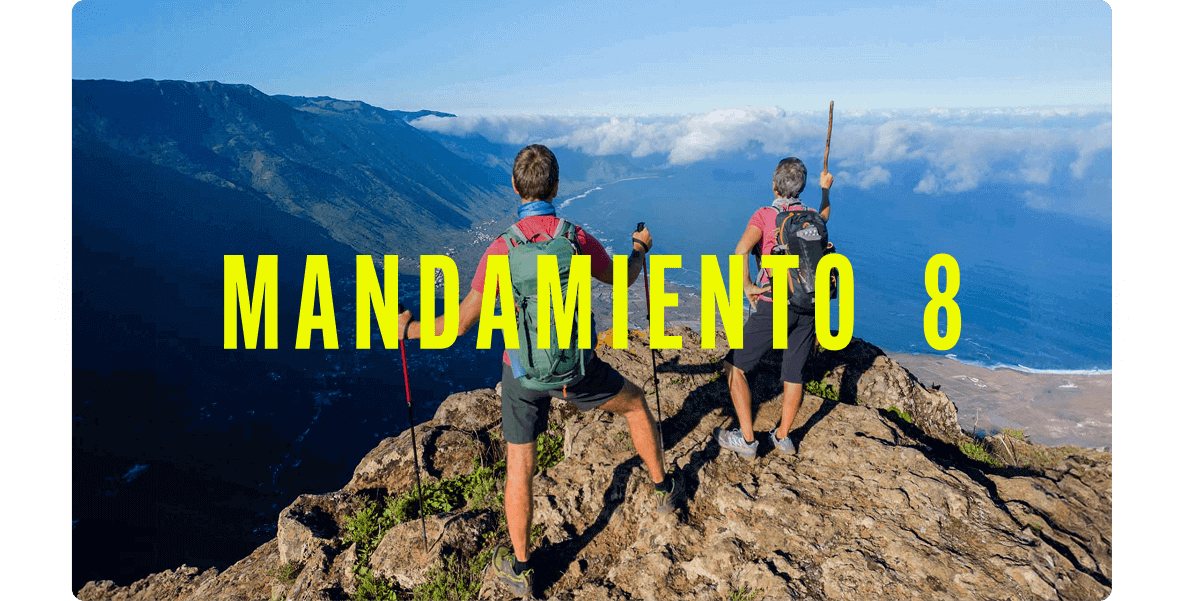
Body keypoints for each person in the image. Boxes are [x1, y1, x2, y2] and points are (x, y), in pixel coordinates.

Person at [397, 144, 683, 599]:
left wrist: (410, 328)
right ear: (555, 187)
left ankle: (521, 567)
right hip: (575, 371)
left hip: (522, 375)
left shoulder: (500, 249)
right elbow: (624, 279)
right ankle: (664, 489)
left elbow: (459, 323)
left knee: (520, 468)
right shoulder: (575, 238)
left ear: (515, 187)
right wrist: (639, 248)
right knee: (635, 405)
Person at [716, 157, 834, 460]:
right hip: (808, 303)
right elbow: (824, 216)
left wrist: (747, 286)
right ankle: (783, 437)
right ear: (802, 186)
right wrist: (825, 190)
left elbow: (741, 249)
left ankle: (746, 440)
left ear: (774, 185)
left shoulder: (765, 216)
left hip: (775, 304)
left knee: (734, 367)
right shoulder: (811, 216)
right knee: (794, 374)